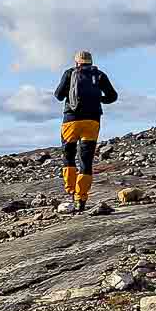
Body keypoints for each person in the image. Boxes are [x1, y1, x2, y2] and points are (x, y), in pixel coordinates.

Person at [52, 50, 117, 210]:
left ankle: (71, 189)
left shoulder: (69, 73)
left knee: (68, 155)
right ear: (91, 62)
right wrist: (97, 99)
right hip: (92, 121)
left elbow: (58, 95)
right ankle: (81, 199)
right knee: (86, 160)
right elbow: (112, 96)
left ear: (76, 62)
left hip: (71, 121)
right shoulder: (99, 75)